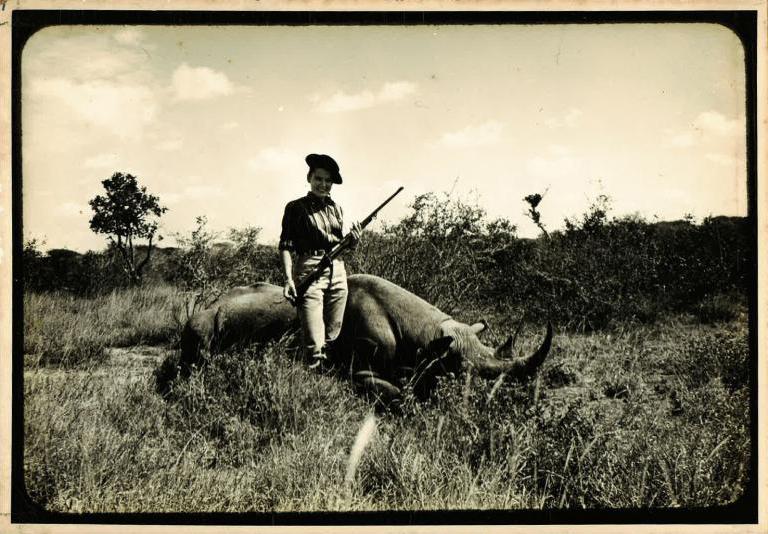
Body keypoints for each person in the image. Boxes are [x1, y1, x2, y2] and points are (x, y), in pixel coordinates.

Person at [279, 154, 361, 369]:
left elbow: (340, 246)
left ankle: (325, 387)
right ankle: (307, 383)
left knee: (332, 336)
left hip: (338, 271)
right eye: (318, 178)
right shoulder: (295, 208)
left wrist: (353, 241)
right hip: (310, 268)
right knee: (314, 343)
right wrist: (289, 279)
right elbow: (286, 246)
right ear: (309, 178)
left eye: (328, 181)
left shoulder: (336, 209)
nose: (323, 184)